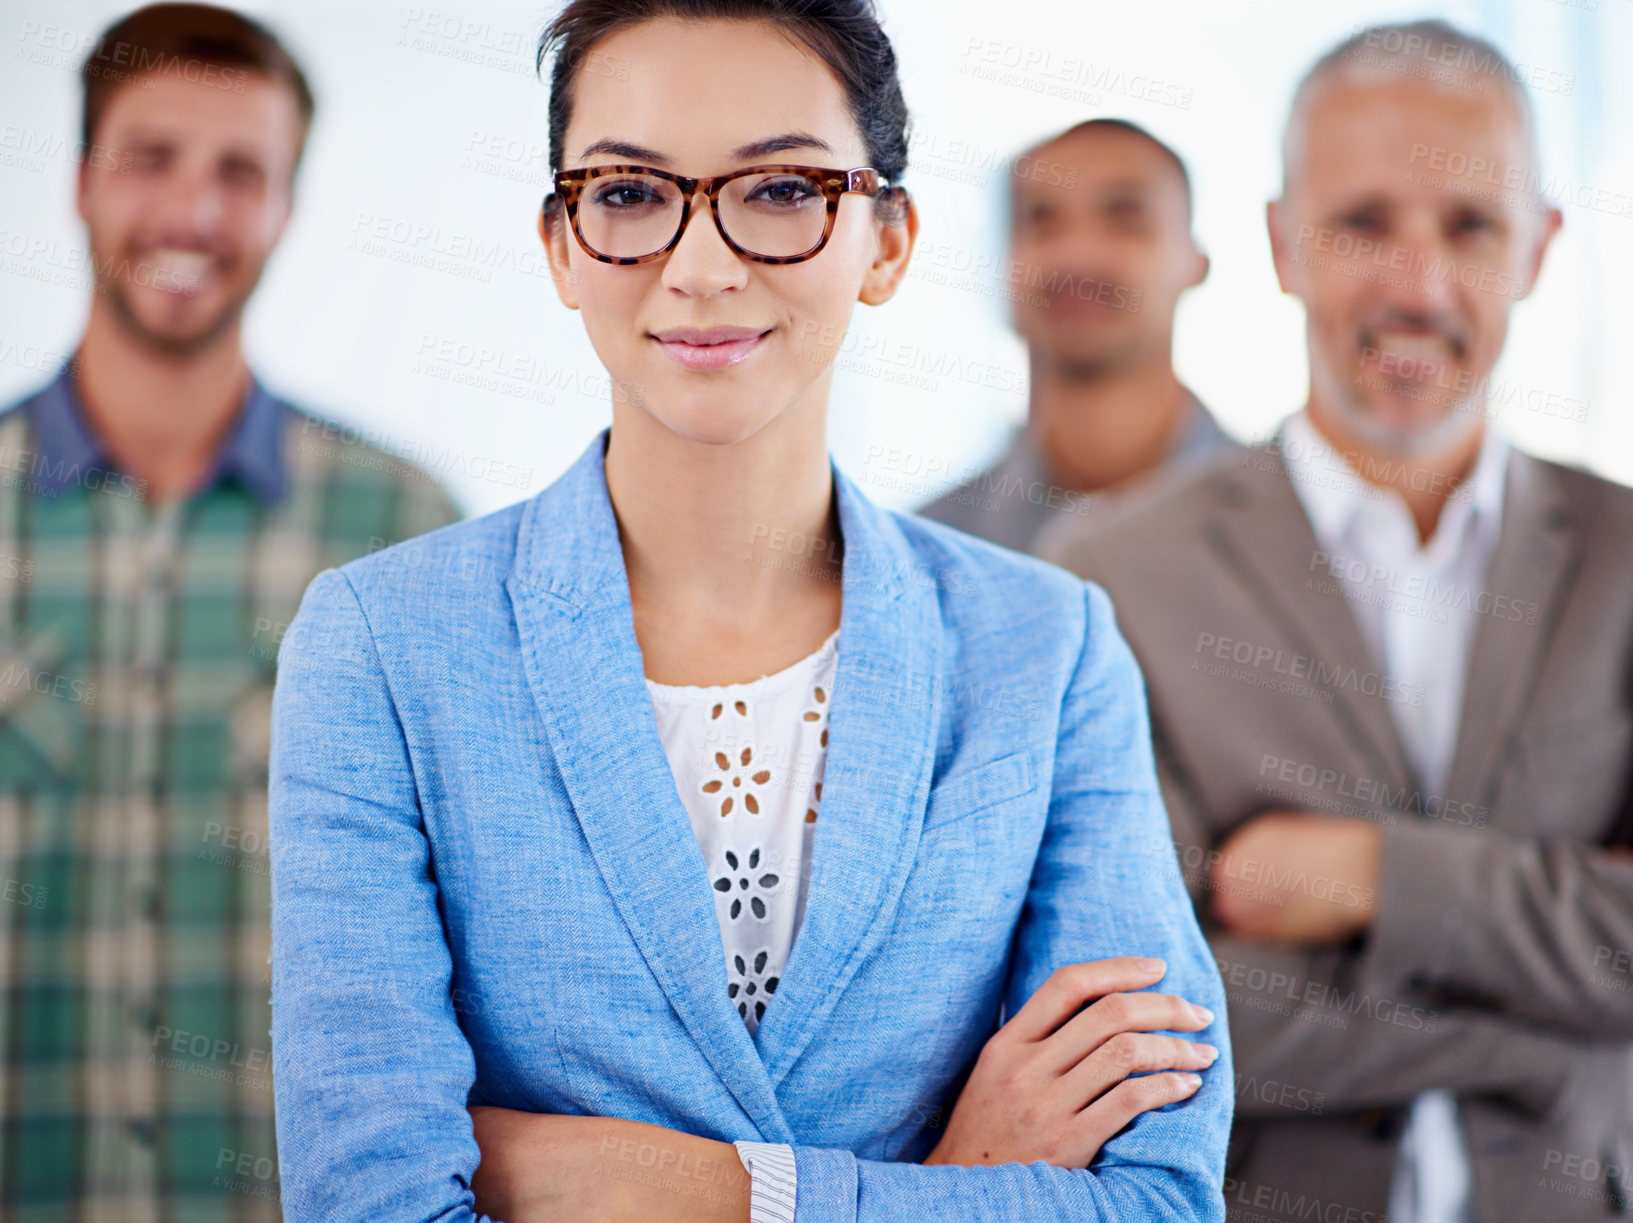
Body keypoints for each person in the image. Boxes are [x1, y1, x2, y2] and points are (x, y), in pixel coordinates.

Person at [267, 2, 1232, 1220]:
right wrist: (939, 1191)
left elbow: (1156, 1198)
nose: (703, 262)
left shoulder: (1047, 646)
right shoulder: (382, 647)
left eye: (780, 189)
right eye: (628, 193)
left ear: (886, 240)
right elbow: (375, 1207)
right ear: (561, 244)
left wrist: (732, 1191)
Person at [1048, 20, 1633, 1223]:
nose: (1415, 286)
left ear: (1540, 247)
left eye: (1469, 227)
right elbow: (1146, 1018)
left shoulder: (1625, 558)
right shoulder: (1111, 572)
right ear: (1281, 243)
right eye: (1364, 221)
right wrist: (1544, 1025)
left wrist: (1380, 878)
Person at [0, 5, 461, 1219]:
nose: (193, 213)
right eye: (152, 159)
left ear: (286, 206)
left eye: (240, 172)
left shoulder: (403, 534)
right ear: (84, 182)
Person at [919, 118, 1233, 556]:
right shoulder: (930, 552)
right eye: (1041, 221)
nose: (1077, 255)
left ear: (1194, 262)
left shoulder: (1298, 529)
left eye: (1125, 218)